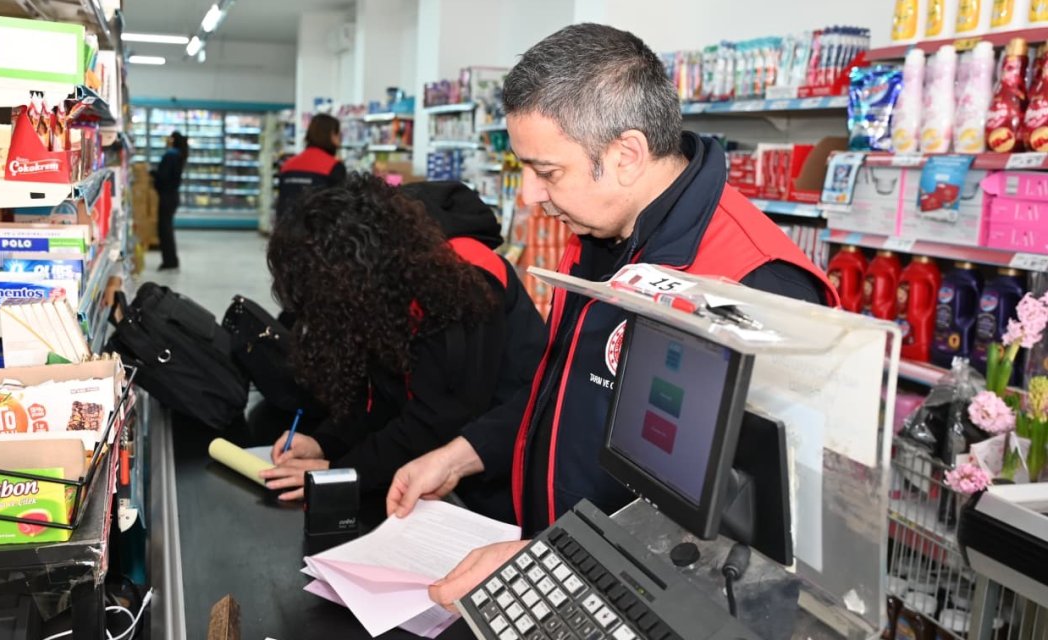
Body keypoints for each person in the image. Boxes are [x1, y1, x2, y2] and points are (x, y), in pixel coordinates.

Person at [382, 23, 841, 609]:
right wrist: (464, 452)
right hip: (571, 577)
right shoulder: (602, 236)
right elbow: (568, 389)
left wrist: (562, 557)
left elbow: (747, 531)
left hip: (662, 605)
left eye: (547, 172)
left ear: (625, 155)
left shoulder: (757, 285)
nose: (529, 196)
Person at [257, 175, 547, 523]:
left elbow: (440, 416)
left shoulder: (464, 279)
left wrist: (342, 472)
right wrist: (326, 443)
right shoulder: (390, 275)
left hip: (508, 477)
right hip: (441, 466)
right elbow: (384, 394)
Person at [276, 114, 347, 222]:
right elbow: (340, 208)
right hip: (319, 234)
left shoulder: (288, 165)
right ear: (332, 135)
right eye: (339, 134)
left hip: (287, 231)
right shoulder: (334, 167)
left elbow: (282, 203)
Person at [151, 131, 188, 271]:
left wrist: (153, 174)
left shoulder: (170, 155)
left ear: (173, 140)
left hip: (166, 196)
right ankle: (171, 260)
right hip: (173, 196)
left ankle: (169, 261)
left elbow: (163, 177)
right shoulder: (180, 154)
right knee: (167, 229)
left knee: (164, 230)